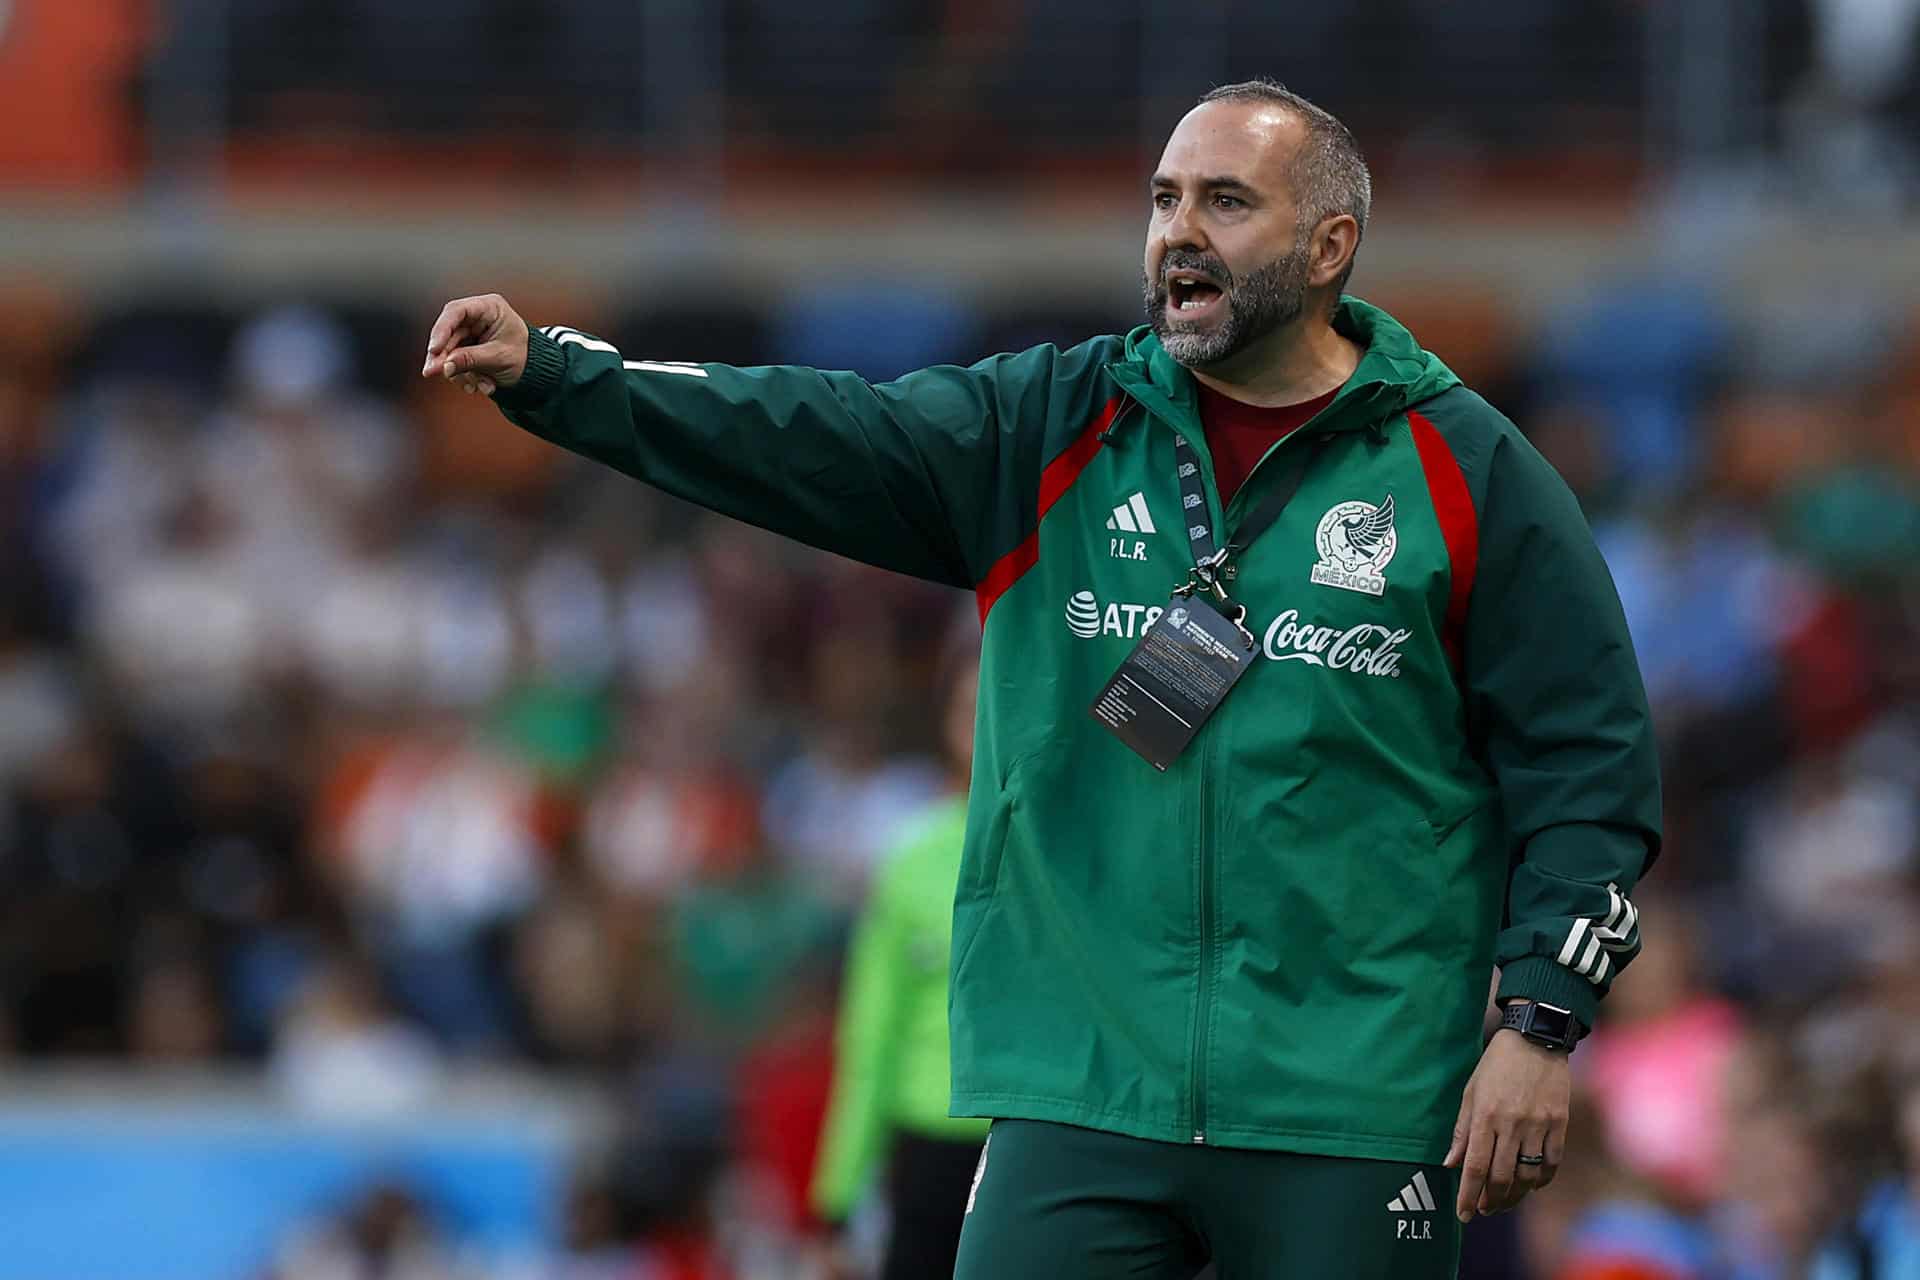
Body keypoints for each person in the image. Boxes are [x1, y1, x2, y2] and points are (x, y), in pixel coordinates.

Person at [423, 78, 1661, 1280]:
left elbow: (1589, 760)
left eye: (1225, 202)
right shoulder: (1050, 426)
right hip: (1080, 1084)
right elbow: (803, 430)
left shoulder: (1466, 469)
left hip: (1352, 1096)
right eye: (1165, 198)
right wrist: (559, 377)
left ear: (1332, 243)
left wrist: (1539, 1020)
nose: (1179, 232)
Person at [808, 648, 990, 1279]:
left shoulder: (1077, 848)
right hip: (930, 1149)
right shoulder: (910, 865)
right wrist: (836, 1199)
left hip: (1039, 1145)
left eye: (997, 697)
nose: (985, 719)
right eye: (968, 706)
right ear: (943, 723)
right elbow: (870, 1037)